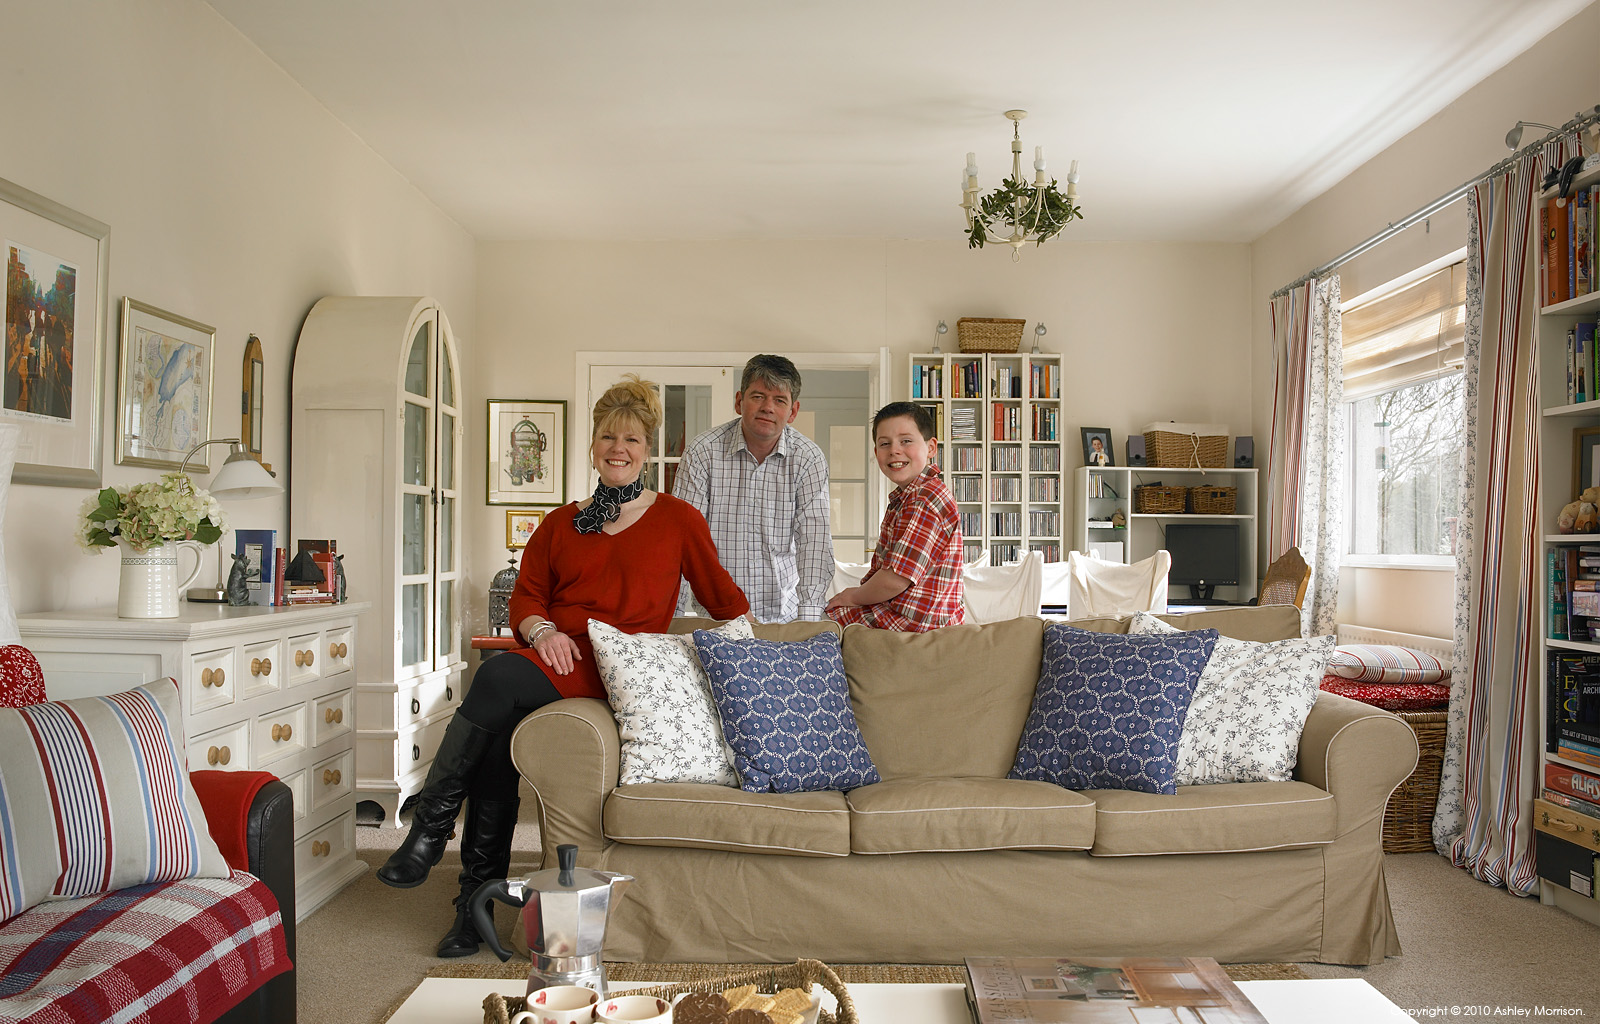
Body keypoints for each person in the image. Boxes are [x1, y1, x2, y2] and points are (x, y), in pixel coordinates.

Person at [377, 375, 750, 957]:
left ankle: (430, 827)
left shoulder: (679, 520)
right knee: (497, 745)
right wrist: (542, 630)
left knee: (495, 676)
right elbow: (526, 598)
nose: (617, 448)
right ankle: (472, 907)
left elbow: (727, 605)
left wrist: (700, 660)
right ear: (593, 446)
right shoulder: (560, 522)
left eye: (630, 438)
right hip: (554, 656)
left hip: (613, 668)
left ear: (647, 450)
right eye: (607, 437)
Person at [673, 354, 834, 621]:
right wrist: (674, 617)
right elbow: (683, 541)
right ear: (739, 401)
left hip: (785, 616)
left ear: (793, 411)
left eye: (779, 400)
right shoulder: (703, 453)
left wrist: (808, 620)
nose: (767, 407)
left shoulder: (808, 458)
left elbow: (814, 542)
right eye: (758, 396)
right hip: (717, 617)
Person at [825, 402, 964, 631]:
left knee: (822, 623)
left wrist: (855, 596)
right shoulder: (908, 497)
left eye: (906, 441)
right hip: (905, 613)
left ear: (931, 448)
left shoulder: (925, 499)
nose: (894, 450)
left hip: (912, 623)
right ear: (876, 452)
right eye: (884, 443)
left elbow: (895, 579)